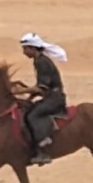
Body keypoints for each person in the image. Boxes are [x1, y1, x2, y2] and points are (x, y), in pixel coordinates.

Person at [19, 33, 68, 165]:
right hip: (50, 96)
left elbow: (41, 88)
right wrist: (29, 97)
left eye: (25, 49)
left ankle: (43, 149)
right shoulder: (39, 60)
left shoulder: (42, 62)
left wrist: (21, 91)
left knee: (33, 115)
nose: (24, 52)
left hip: (55, 99)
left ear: (33, 48)